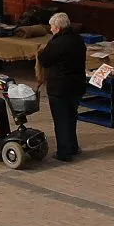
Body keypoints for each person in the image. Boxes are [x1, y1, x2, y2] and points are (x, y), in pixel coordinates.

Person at [37, 12, 88, 162]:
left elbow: (45, 60)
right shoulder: (78, 39)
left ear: (58, 28)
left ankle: (64, 152)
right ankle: (73, 146)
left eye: (52, 27)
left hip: (59, 87)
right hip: (77, 85)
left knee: (61, 121)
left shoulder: (56, 43)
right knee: (72, 117)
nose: (51, 30)